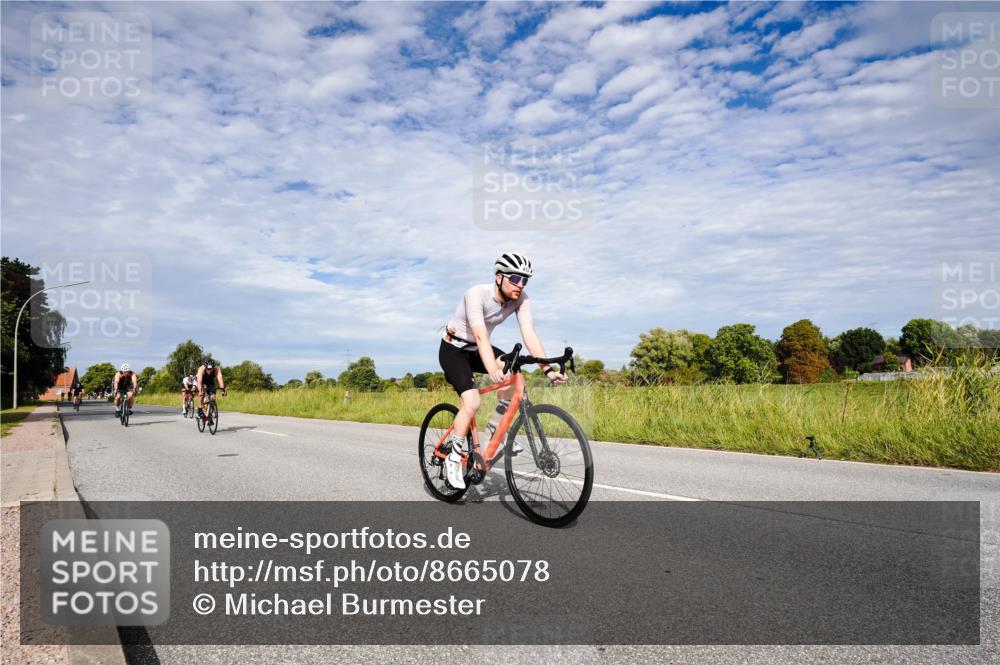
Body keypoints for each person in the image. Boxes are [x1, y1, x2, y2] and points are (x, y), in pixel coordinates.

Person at [438, 251, 565, 490]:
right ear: (499, 277)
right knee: (472, 401)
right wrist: (492, 369)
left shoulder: (521, 299)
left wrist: (548, 370)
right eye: (515, 278)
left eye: (525, 280)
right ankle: (454, 458)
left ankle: (497, 430)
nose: (521, 285)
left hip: (476, 349)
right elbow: (480, 335)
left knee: (514, 378)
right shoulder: (476, 295)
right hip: (454, 349)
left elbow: (530, 335)